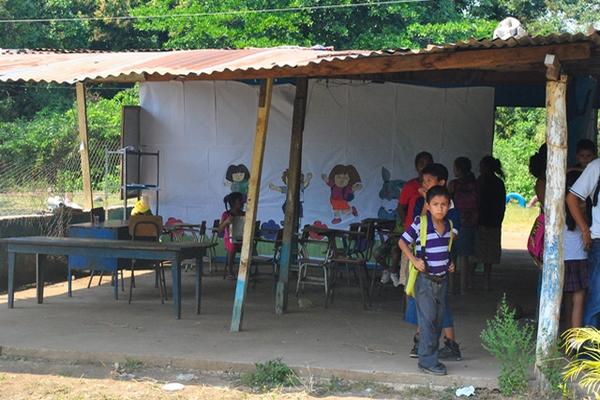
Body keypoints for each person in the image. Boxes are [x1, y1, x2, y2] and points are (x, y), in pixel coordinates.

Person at [405, 163, 462, 361]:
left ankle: (437, 347)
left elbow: (448, 236)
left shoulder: (449, 209)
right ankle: (425, 342)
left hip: (438, 268)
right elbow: (416, 229)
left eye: (429, 181)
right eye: (424, 181)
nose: (425, 184)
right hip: (424, 266)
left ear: (441, 183)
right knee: (426, 307)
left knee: (435, 308)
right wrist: (425, 203)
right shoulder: (427, 205)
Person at [387, 151, 433, 287]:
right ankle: (408, 303)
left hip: (429, 234)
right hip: (412, 234)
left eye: (428, 163)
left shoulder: (435, 188)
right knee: (408, 275)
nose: (425, 166)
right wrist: (407, 224)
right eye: (421, 164)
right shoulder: (410, 186)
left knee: (427, 274)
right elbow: (401, 207)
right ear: (416, 166)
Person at [566, 157, 600, 327]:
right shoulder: (596, 167)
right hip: (598, 241)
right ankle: (587, 349)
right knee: (596, 297)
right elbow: (571, 198)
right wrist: (585, 229)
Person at [475, 156, 506, 291]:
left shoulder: (480, 181)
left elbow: (476, 201)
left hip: (481, 220)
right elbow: (501, 205)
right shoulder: (499, 183)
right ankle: (486, 281)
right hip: (494, 221)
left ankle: (469, 279)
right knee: (489, 255)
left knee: (478, 251)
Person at [563, 170, 589, 329]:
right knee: (579, 301)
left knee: (566, 301)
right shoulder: (584, 210)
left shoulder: (557, 208)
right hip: (580, 259)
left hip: (562, 259)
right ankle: (575, 341)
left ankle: (565, 335)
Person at [448, 157, 478, 291]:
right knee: (464, 256)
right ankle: (463, 287)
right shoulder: (474, 184)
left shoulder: (453, 184)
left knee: (451, 254)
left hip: (453, 222)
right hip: (469, 222)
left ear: (458, 169)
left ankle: (450, 286)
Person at [218, 192, 245, 280]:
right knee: (233, 245)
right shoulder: (226, 214)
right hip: (229, 239)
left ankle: (245, 270)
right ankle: (230, 270)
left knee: (248, 246)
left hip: (242, 239)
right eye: (239, 201)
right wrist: (226, 222)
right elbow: (220, 230)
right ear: (233, 203)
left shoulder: (244, 214)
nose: (242, 203)